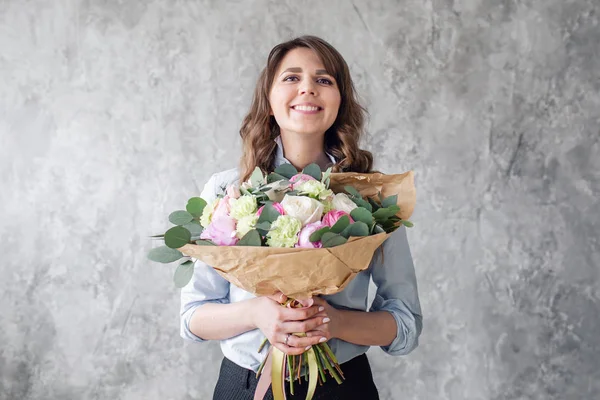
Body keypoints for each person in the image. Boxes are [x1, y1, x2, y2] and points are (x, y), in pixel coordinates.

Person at [180, 35, 423, 400]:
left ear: (339, 102)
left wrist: (335, 323)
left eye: (324, 80)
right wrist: (258, 313)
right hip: (244, 386)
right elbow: (192, 318)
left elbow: (405, 325)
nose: (307, 89)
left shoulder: (373, 199)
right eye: (291, 78)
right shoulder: (225, 191)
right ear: (269, 99)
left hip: (343, 387)